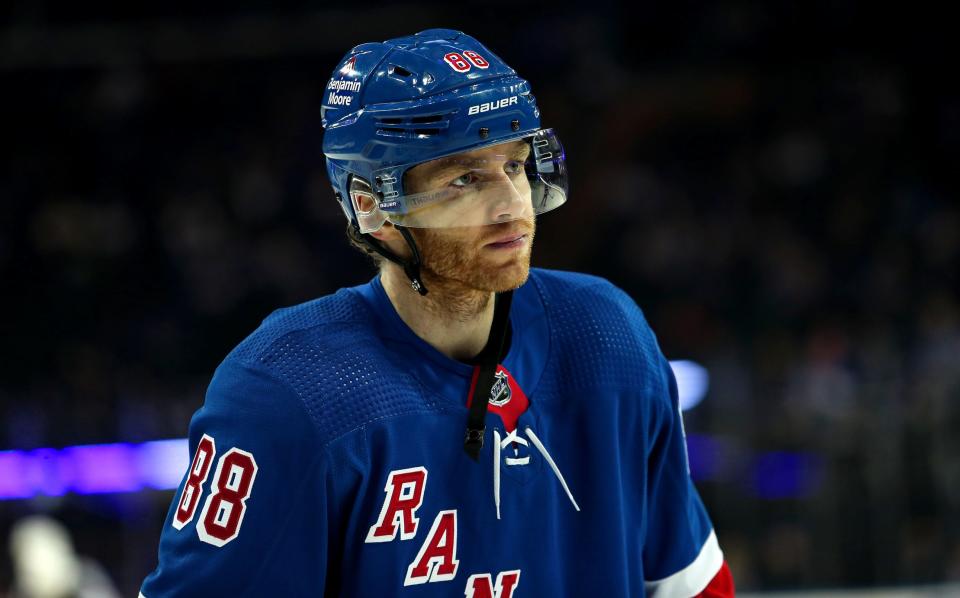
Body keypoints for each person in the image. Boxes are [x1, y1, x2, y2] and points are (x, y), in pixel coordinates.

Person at [140, 28, 735, 597]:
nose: (511, 204)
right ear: (372, 206)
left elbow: (692, 585)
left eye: (515, 164)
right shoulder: (287, 390)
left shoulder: (608, 336)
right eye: (463, 179)